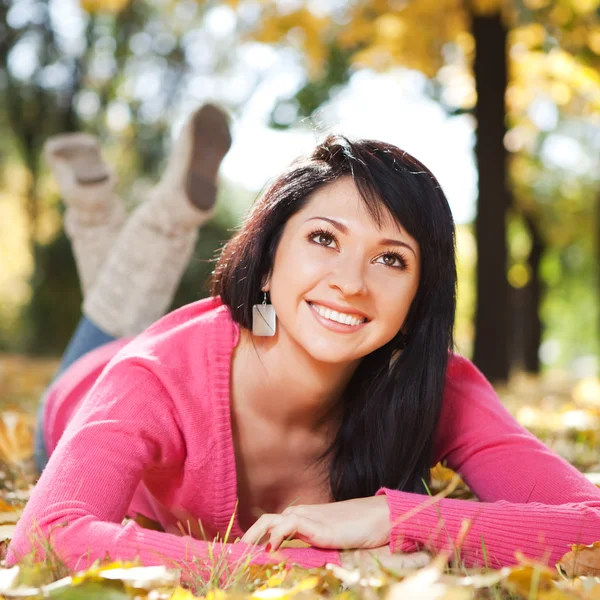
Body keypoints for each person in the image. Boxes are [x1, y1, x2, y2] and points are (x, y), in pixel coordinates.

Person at [7, 107, 600, 579]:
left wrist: (398, 516)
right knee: (117, 319)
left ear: (421, 293)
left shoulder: (433, 384)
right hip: (87, 391)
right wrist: (314, 563)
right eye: (324, 238)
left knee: (163, 315)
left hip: (234, 331)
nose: (350, 282)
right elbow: (47, 537)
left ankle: (102, 215)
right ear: (267, 260)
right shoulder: (156, 375)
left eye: (391, 258)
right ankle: (116, 215)